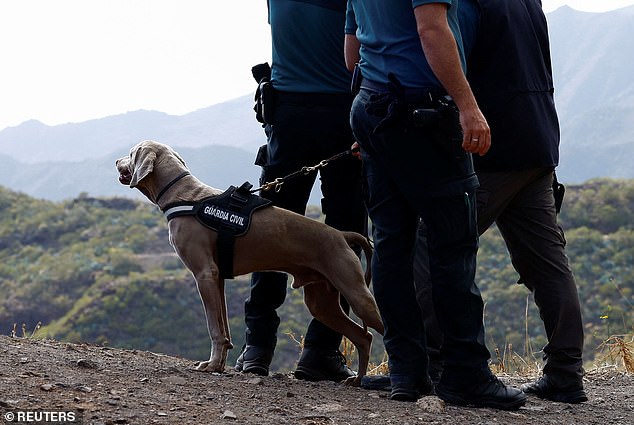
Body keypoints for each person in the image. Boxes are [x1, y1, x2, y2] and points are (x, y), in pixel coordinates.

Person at [344, 0, 526, 409]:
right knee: (454, 242)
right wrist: (468, 106)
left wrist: (371, 116)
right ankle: (465, 374)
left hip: (373, 106)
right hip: (422, 114)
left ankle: (407, 372)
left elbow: (352, 49)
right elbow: (431, 29)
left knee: (391, 245)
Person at [417, 0, 588, 403]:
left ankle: (436, 362)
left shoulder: (469, 4)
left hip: (491, 144)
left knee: (430, 244)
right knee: (546, 262)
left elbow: (451, 58)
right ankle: (566, 373)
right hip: (538, 139)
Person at [234, 0, 367, 382]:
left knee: (267, 234)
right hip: (344, 114)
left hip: (288, 115)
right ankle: (321, 351)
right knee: (345, 235)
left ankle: (256, 347)